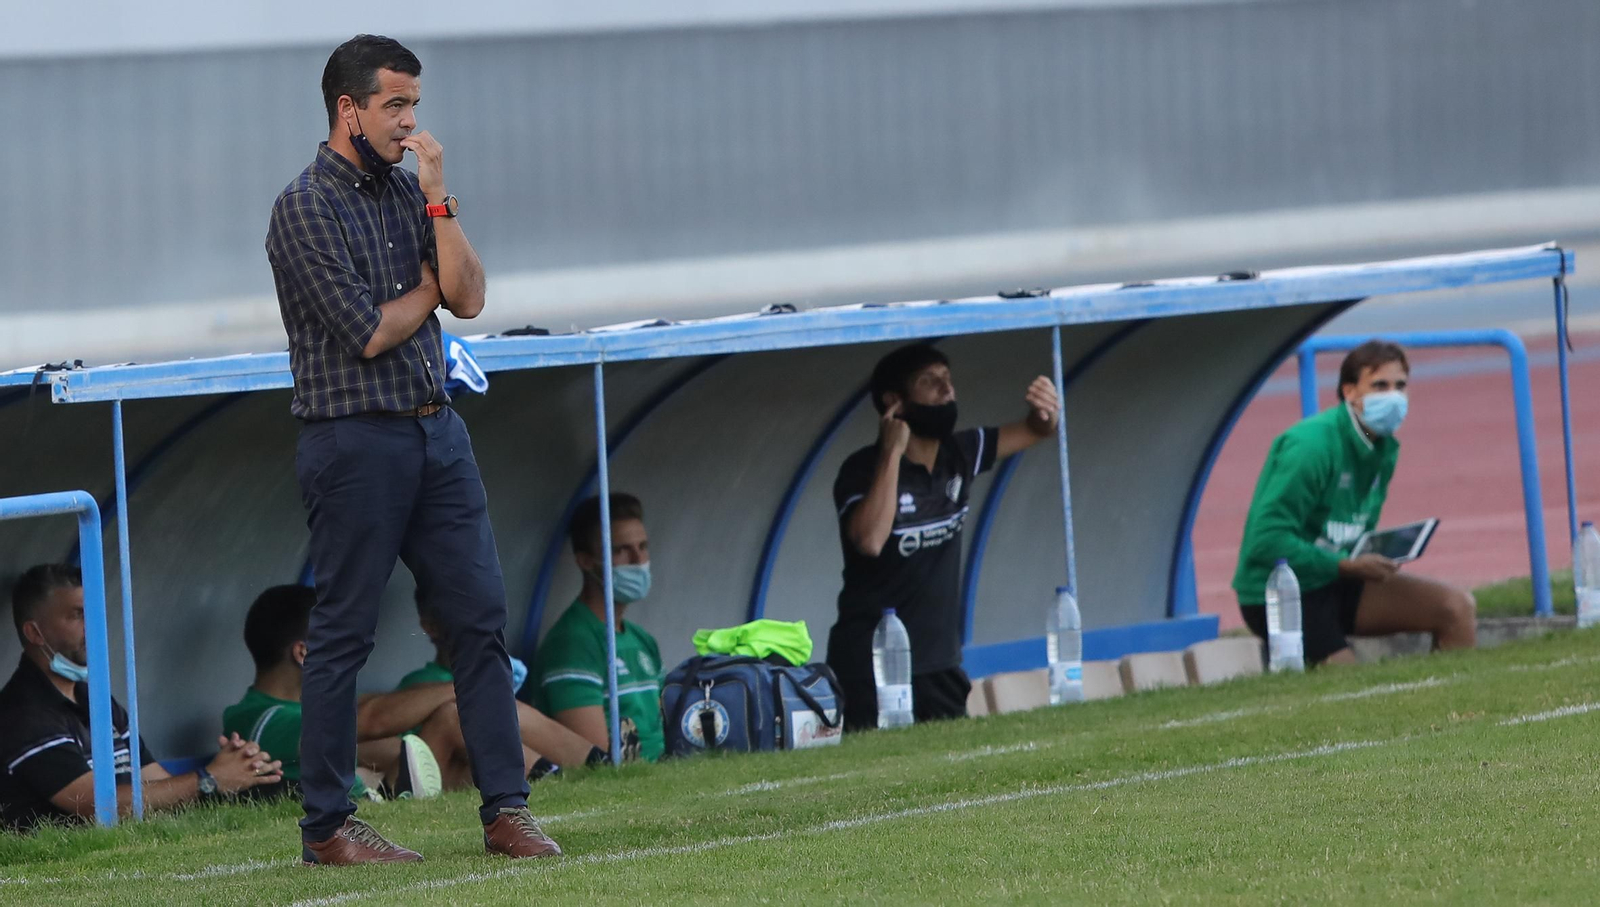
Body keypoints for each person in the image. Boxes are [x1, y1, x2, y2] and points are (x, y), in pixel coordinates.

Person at [265, 34, 554, 864]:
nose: (410, 122)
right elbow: (368, 331)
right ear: (348, 109)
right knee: (344, 632)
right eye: (395, 105)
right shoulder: (303, 206)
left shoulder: (408, 192)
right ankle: (327, 824)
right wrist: (424, 291)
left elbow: (468, 296)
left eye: (415, 105)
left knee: (480, 620)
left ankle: (507, 809)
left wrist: (439, 200)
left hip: (437, 430)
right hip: (353, 439)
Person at [829, 344, 1060, 731]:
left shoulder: (961, 453)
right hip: (871, 669)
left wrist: (1047, 412)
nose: (946, 390)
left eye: (948, 380)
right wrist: (891, 453)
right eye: (930, 382)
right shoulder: (860, 470)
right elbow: (870, 540)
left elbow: (1036, 430)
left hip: (940, 666)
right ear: (894, 401)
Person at [1233, 340, 1476, 666]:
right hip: (1283, 593)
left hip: (1340, 579)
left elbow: (1353, 530)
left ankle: (1458, 712)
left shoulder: (1384, 448)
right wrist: (1344, 565)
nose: (1393, 396)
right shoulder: (1311, 447)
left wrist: (1370, 557)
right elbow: (1266, 540)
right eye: (1379, 386)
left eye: (1400, 386)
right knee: (1351, 679)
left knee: (1456, 607)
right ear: (1350, 392)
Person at [1, 565, 283, 832]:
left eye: (94, 614)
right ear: (35, 632)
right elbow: (98, 805)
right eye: (77, 616)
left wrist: (236, 770)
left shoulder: (94, 698)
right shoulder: (23, 713)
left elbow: (157, 783)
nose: (94, 627)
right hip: (65, 869)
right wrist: (209, 781)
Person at [222, 585, 454, 801]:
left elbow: (374, 730)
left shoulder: (298, 709)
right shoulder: (261, 719)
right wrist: (466, 688)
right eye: (337, 642)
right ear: (304, 653)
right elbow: (367, 720)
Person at [403, 589, 620, 774]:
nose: (474, 622)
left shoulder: (489, 671)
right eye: (460, 613)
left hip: (482, 773)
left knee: (506, 709)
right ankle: (559, 772)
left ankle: (600, 764)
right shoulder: (423, 682)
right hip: (448, 776)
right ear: (431, 626)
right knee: (491, 709)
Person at [526, 494, 661, 762]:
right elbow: (595, 759)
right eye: (621, 550)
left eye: (643, 546)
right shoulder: (572, 643)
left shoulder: (642, 639)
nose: (638, 560)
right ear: (586, 560)